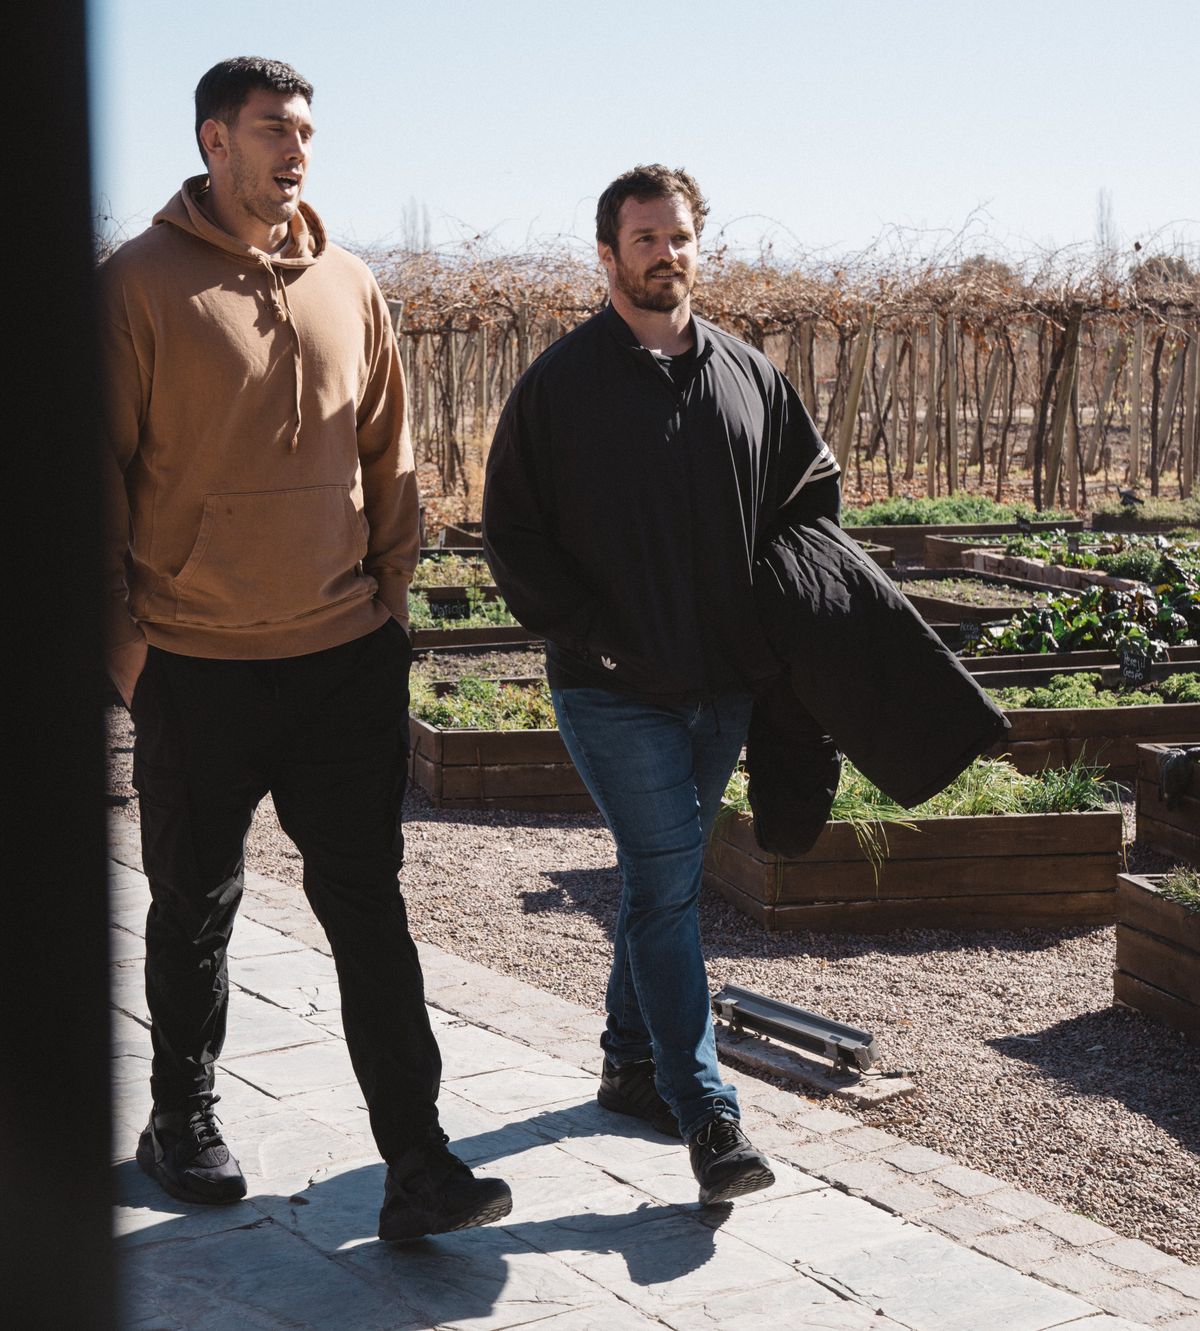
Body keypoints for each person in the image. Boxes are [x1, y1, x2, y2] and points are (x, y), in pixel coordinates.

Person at [101, 56, 511, 1242]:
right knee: (195, 903)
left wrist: (387, 602)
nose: (296, 151)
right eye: (274, 129)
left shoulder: (350, 282)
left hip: (340, 655)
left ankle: (419, 1161)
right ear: (213, 139)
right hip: (195, 660)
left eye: (308, 132)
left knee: (368, 907)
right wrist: (133, 654)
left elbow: (394, 455)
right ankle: (182, 1119)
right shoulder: (134, 287)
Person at [482, 165, 841, 1205]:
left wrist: (788, 623)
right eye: (644, 238)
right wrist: (592, 641)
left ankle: (628, 1062)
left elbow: (808, 496)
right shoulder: (559, 384)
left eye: (679, 236)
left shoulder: (749, 375)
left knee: (655, 879)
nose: (665, 254)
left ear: (697, 245)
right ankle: (708, 1110)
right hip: (612, 688)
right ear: (607, 255)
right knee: (672, 868)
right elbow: (513, 533)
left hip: (722, 683)